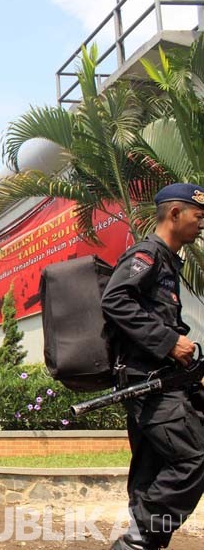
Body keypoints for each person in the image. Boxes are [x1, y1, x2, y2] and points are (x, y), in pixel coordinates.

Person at [102, 184, 204, 550]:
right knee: (195, 456)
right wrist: (169, 341)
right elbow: (114, 298)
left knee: (150, 470)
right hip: (149, 385)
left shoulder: (167, 261)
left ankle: (141, 542)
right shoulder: (147, 255)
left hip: (160, 383)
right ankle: (139, 540)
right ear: (175, 214)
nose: (201, 224)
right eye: (198, 215)